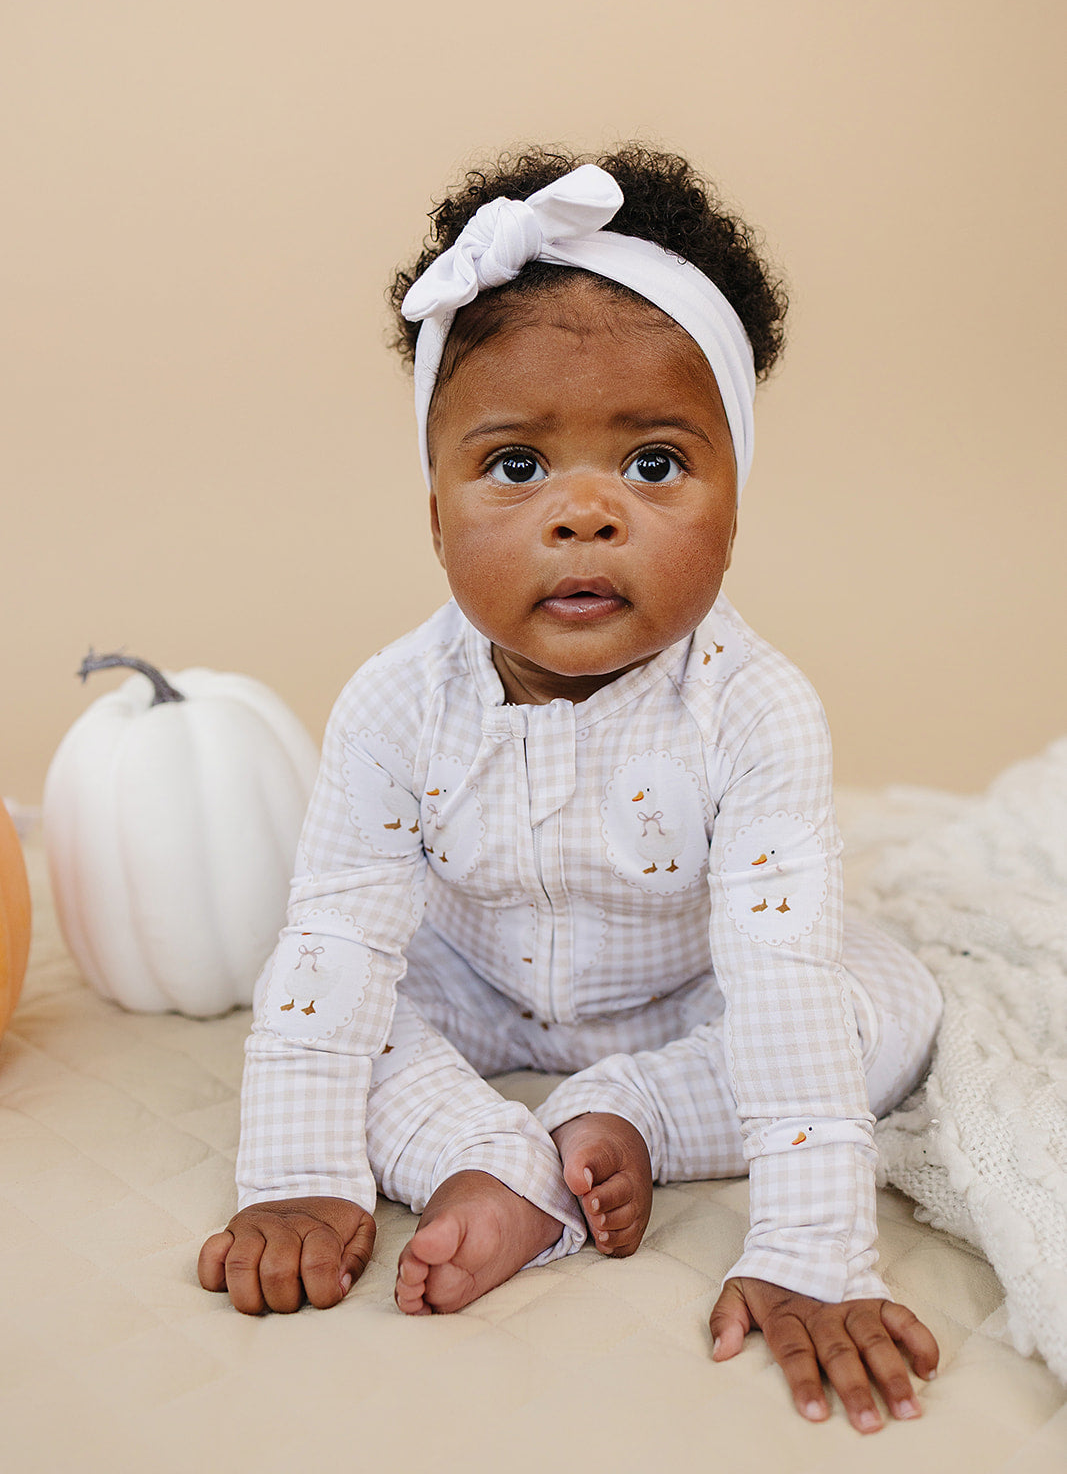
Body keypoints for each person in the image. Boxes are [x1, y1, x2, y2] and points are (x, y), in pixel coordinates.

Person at [199, 146, 943, 1434]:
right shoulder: (394, 701)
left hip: (693, 992)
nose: (586, 514)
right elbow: (342, 935)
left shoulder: (757, 708)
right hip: (468, 986)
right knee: (319, 1000)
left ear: (735, 503)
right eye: (515, 468)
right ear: (435, 513)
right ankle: (488, 1161)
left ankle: (628, 1115)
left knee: (880, 1012)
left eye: (653, 465)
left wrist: (814, 1248)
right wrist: (298, 1176)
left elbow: (775, 986)